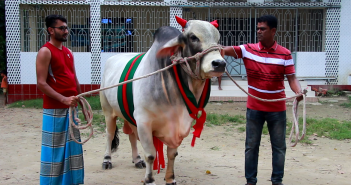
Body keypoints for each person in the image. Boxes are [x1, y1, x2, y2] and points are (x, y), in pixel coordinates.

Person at [222, 15, 303, 185]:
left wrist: (298, 91)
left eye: (263, 29)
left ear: (273, 31)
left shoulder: (285, 54)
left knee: (279, 148)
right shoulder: (247, 50)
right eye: (257, 28)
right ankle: (250, 181)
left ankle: (277, 181)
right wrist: (210, 47)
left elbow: (292, 78)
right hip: (254, 108)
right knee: (251, 147)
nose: (258, 31)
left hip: (277, 109)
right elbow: (223, 50)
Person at [36, 14, 84, 185]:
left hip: (72, 107)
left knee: (72, 150)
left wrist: (82, 105)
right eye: (61, 28)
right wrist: (63, 100)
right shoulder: (45, 51)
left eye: (66, 27)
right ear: (51, 30)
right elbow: (41, 84)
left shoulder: (69, 52)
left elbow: (74, 79)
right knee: (54, 152)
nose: (66, 31)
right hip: (55, 109)